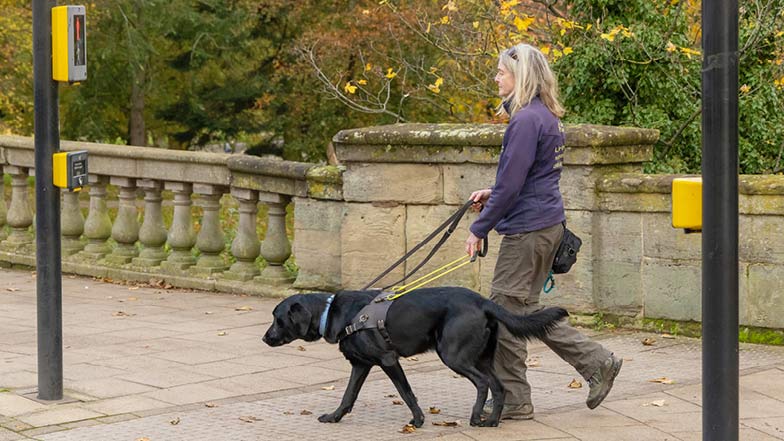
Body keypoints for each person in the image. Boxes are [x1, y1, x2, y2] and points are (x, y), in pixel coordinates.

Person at [464, 43, 622, 421]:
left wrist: (479, 228)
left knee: (504, 315)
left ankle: (515, 400)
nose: (496, 78)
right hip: (546, 226)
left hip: (528, 233)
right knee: (524, 313)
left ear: (520, 77)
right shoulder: (545, 116)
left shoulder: (524, 121)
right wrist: (493, 193)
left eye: (501, 72)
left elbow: (513, 186)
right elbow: (528, 179)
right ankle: (597, 362)